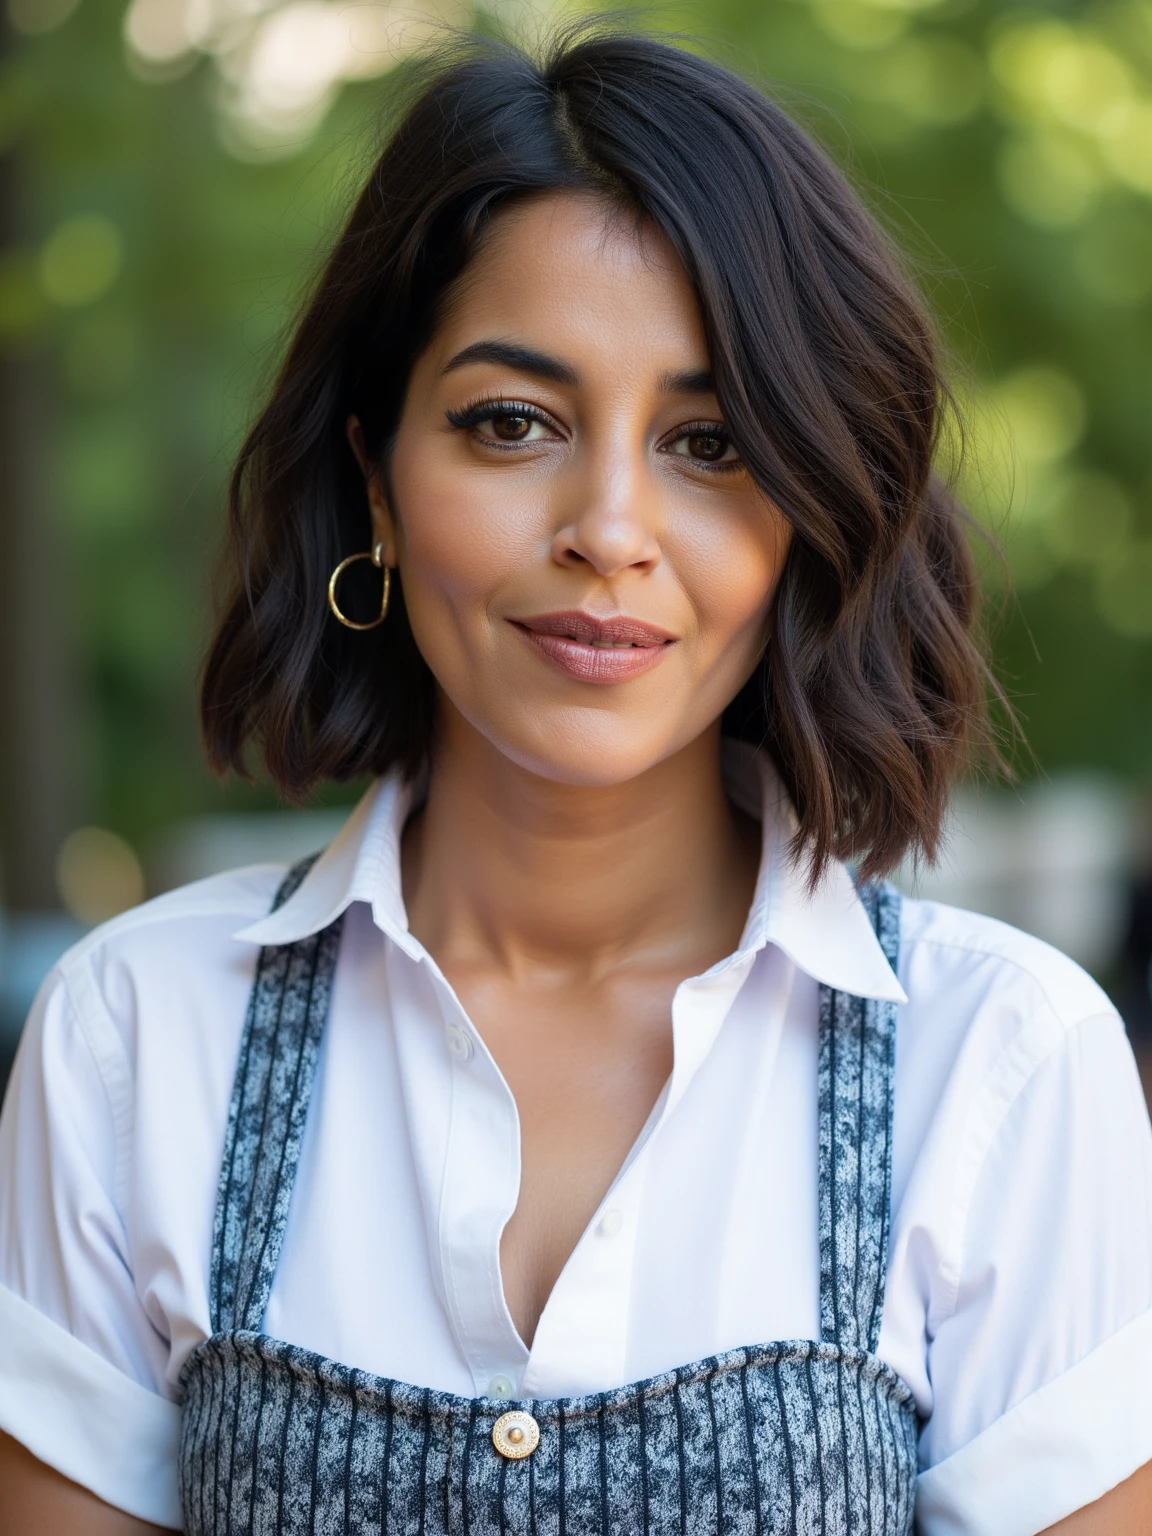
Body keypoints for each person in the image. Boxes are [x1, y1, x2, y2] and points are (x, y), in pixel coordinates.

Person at [1, 27, 1150, 1536]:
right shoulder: (137, 1038)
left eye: (711, 440)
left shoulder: (1000, 1065)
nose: (610, 526)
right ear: (377, 482)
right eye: (512, 423)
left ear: (814, 506)